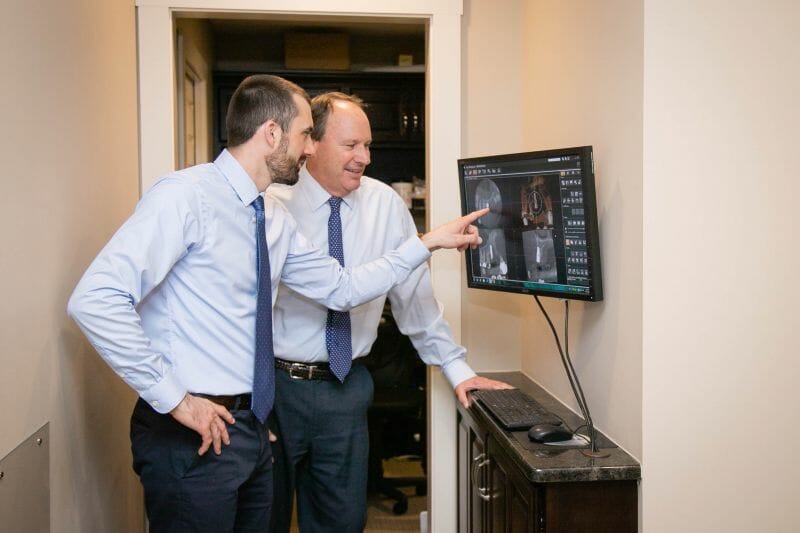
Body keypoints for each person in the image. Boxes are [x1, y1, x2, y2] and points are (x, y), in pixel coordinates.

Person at [67, 76, 486, 533]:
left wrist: (427, 243)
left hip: (246, 425)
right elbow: (96, 299)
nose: (309, 150)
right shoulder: (185, 196)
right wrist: (176, 399)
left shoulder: (271, 218)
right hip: (189, 429)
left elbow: (341, 289)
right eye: (307, 134)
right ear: (271, 133)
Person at [266, 92, 512, 533]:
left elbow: (414, 300)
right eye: (350, 145)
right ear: (311, 145)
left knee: (340, 521)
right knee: (262, 516)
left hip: (346, 388)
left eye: (368, 145)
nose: (364, 157)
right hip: (277, 390)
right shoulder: (273, 204)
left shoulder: (384, 205)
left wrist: (457, 369)